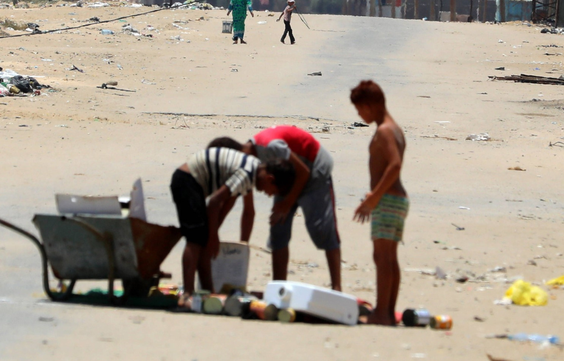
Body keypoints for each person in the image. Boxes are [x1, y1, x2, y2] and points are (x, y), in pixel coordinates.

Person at [211, 126, 341, 291]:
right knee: (278, 228)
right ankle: (279, 287)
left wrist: (286, 204)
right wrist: (240, 249)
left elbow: (304, 172)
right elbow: (245, 209)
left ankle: (337, 286)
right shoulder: (249, 166)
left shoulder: (270, 146)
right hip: (285, 177)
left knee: (322, 229)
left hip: (313, 168)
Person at [170, 145, 295, 303]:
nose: (268, 194)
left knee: (203, 240)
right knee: (195, 239)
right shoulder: (247, 174)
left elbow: (227, 203)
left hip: (193, 184)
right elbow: (215, 202)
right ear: (270, 179)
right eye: (272, 191)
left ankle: (209, 293)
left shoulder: (252, 171)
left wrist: (210, 234)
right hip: (187, 181)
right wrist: (213, 236)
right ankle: (187, 294)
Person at [350, 80, 408, 326]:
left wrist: (374, 198)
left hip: (388, 199)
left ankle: (383, 313)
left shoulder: (384, 130)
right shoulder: (394, 128)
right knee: (388, 257)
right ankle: (387, 311)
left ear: (370, 105)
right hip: (395, 199)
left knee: (382, 257)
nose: (359, 114)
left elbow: (394, 166)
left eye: (360, 109)